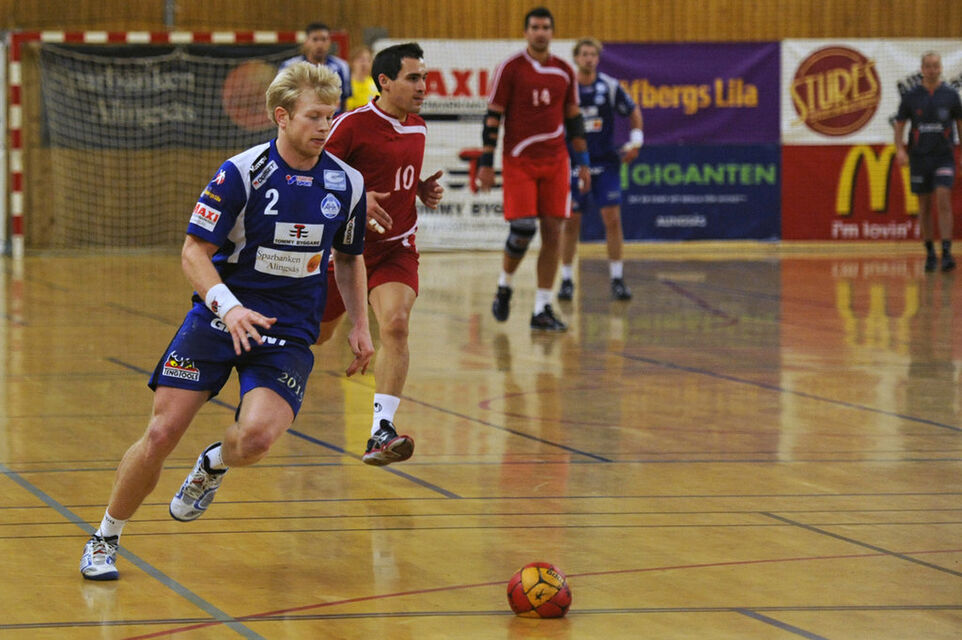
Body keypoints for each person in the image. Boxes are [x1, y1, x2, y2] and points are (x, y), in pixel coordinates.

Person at [79, 62, 374, 580]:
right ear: (282, 117)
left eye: (330, 116)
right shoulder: (241, 172)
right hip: (220, 319)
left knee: (256, 439)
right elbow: (193, 251)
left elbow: (348, 258)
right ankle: (106, 536)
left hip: (288, 331)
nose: (325, 126)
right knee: (162, 432)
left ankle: (213, 463)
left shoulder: (347, 182)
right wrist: (229, 307)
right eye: (313, 116)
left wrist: (361, 324)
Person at [316, 42, 444, 466]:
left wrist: (419, 188)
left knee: (396, 325)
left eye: (424, 78)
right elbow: (314, 175)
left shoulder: (418, 128)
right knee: (317, 336)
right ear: (385, 82)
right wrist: (358, 200)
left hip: (396, 247)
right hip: (344, 251)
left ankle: (381, 430)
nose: (422, 86)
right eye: (413, 78)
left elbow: (395, 173)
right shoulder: (351, 125)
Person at [477, 6, 591, 332]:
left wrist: (583, 163)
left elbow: (574, 119)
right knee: (523, 229)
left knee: (553, 231)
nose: (540, 32)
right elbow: (493, 117)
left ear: (552, 32)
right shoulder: (511, 68)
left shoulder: (564, 71)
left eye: (545, 27)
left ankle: (542, 307)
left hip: (556, 161)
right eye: (535, 27)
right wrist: (486, 163)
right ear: (526, 32)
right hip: (519, 160)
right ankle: (505, 285)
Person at [558, 37, 644, 302]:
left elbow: (633, 111)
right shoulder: (565, 87)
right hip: (574, 165)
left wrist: (636, 141)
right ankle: (566, 280)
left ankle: (617, 279)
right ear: (576, 58)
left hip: (605, 163)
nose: (588, 58)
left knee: (612, 219)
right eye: (584, 54)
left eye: (593, 54)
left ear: (598, 58)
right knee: (571, 222)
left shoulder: (609, 86)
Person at [894, 51, 962, 273]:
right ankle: (930, 253)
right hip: (919, 158)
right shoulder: (911, 96)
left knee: (943, 197)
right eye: (928, 66)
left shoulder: (951, 95)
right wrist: (900, 149)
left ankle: (947, 252)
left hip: (944, 157)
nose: (932, 70)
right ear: (922, 69)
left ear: (940, 68)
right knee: (923, 206)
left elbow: (959, 124)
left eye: (936, 65)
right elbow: (900, 125)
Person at [279, 22, 352, 113]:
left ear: (329, 42)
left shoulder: (342, 66)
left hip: (333, 119)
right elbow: (281, 99)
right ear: (306, 42)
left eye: (324, 39)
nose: (320, 44)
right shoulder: (290, 67)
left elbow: (345, 101)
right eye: (315, 39)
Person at [345, 45, 380, 111]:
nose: (365, 64)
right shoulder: (346, 84)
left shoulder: (375, 83)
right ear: (352, 62)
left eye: (369, 60)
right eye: (362, 60)